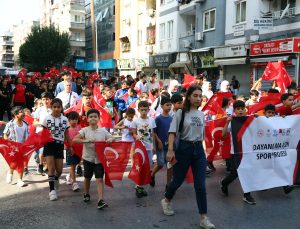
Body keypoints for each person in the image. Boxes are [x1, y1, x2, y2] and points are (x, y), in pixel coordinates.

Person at [161, 85, 215, 229]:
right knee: (177, 181)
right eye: (195, 95)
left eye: (200, 96)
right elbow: (172, 132)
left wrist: (205, 153)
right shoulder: (181, 113)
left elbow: (202, 137)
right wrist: (170, 150)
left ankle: (203, 217)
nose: (198, 99)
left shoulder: (201, 115)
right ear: (189, 97)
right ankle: (166, 199)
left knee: (200, 185)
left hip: (198, 151)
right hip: (184, 149)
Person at [73, 109, 114, 209]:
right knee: (87, 177)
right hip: (88, 158)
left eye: (95, 116)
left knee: (99, 179)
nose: (93, 118)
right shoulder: (84, 130)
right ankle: (86, 193)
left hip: (100, 159)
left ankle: (100, 200)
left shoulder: (103, 131)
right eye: (91, 117)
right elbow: (75, 139)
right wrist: (86, 141)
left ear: (99, 119)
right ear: (87, 119)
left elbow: (112, 137)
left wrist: (110, 139)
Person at [220, 100, 256, 205]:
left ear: (245, 109)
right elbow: (223, 135)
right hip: (236, 152)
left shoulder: (249, 119)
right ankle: (224, 183)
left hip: (248, 151)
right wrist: (227, 122)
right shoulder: (232, 121)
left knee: (248, 171)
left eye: (242, 108)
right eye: (238, 109)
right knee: (235, 173)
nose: (240, 111)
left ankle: (247, 195)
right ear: (234, 111)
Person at [42, 98, 72, 201]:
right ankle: (52, 191)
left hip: (59, 145)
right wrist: (42, 145)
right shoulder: (46, 118)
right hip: (49, 145)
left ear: (61, 108)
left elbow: (66, 133)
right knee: (51, 168)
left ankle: (55, 179)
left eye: (58, 107)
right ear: (51, 107)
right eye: (54, 107)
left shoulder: (65, 119)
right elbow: (43, 133)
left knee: (59, 170)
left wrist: (70, 146)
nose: (56, 109)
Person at [264, 104, 294, 194]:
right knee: (266, 167)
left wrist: (283, 119)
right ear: (265, 113)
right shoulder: (260, 120)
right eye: (269, 112)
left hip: (276, 148)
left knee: (279, 166)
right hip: (264, 149)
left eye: (273, 113)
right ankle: (263, 184)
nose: (271, 114)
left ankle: (285, 186)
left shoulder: (277, 119)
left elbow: (284, 126)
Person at [132, 101, 156, 198]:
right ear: (138, 110)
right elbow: (133, 132)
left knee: (148, 166)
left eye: (145, 110)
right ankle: (139, 186)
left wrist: (154, 145)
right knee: (141, 166)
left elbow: (153, 133)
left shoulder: (151, 120)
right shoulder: (136, 121)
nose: (144, 112)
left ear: (148, 110)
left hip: (149, 147)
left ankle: (140, 185)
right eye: (141, 110)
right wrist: (136, 136)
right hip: (140, 148)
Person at [4, 106, 29, 187]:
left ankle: (20, 180)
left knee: (21, 163)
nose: (24, 113)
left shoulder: (25, 124)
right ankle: (10, 173)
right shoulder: (10, 124)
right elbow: (5, 135)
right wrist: (9, 144)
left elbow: (27, 136)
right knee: (14, 162)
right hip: (13, 147)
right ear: (16, 114)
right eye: (21, 112)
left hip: (22, 147)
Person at [151, 97, 173, 187]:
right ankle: (152, 175)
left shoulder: (172, 118)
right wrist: (158, 141)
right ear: (161, 106)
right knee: (160, 164)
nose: (169, 107)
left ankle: (168, 184)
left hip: (170, 146)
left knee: (170, 164)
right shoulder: (158, 119)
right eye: (167, 105)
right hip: (160, 145)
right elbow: (154, 132)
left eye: (170, 105)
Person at [33, 92, 53, 175]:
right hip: (40, 133)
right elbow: (34, 122)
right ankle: (41, 164)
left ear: (51, 100)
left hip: (51, 134)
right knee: (41, 152)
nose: (45, 101)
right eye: (44, 99)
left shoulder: (53, 109)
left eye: (47, 99)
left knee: (49, 152)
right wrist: (42, 124)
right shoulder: (39, 109)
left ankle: (47, 167)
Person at [65, 111, 81, 192]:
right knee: (72, 166)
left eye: (76, 119)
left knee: (74, 165)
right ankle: (74, 183)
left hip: (79, 150)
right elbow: (65, 140)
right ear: (69, 120)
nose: (74, 121)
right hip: (70, 149)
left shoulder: (79, 128)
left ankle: (69, 176)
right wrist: (68, 147)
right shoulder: (67, 129)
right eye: (72, 119)